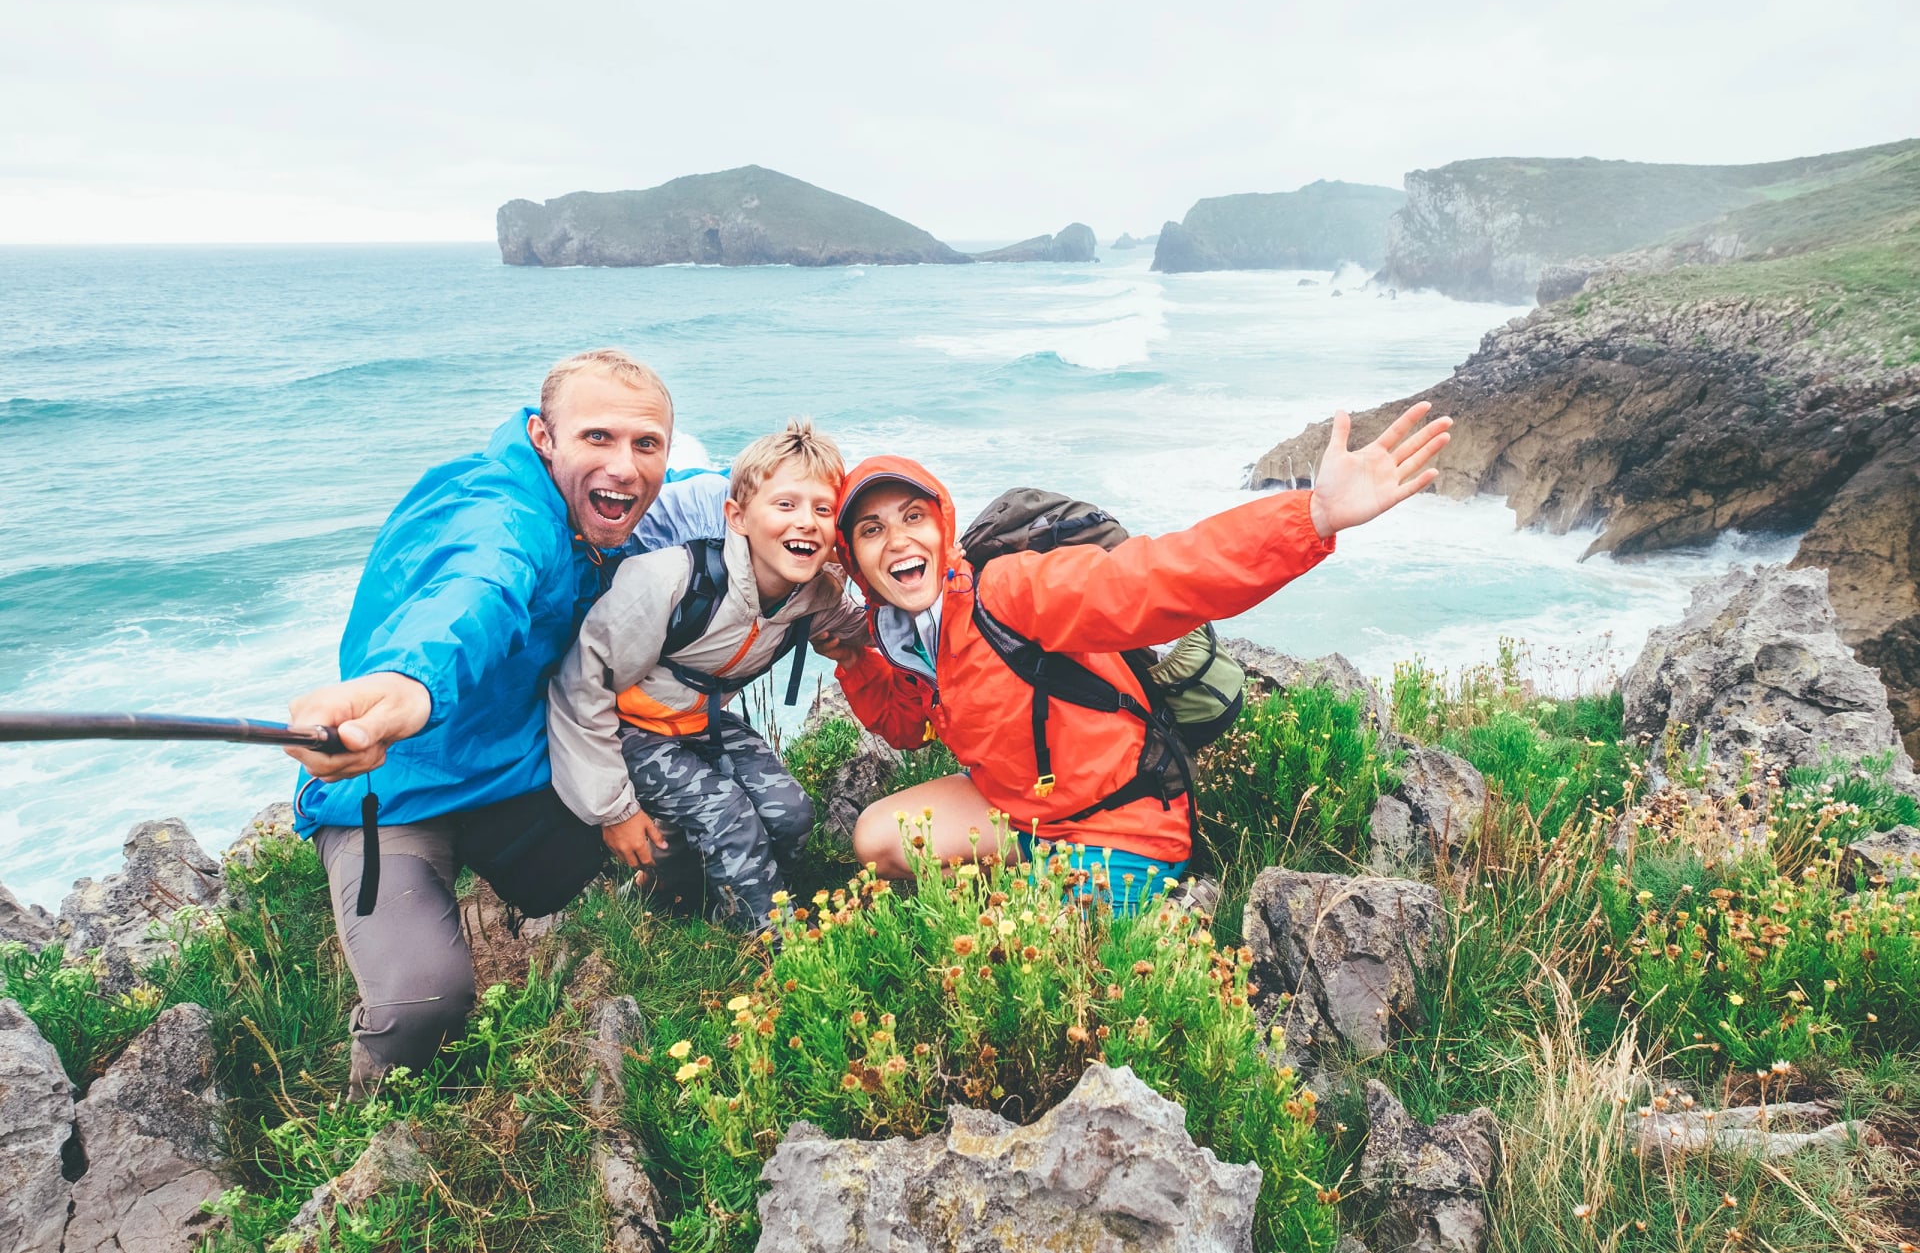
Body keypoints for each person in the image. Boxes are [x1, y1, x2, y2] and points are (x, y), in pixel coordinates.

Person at [284, 348, 723, 1094]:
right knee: (422, 1004)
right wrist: (407, 685)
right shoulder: (504, 512)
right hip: (397, 780)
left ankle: (571, 909)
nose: (624, 466)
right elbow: (476, 589)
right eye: (598, 438)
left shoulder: (617, 512)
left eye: (645, 444)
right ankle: (375, 1117)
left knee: (685, 824)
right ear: (542, 437)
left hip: (517, 768)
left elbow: (748, 495)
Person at [812, 402, 1452, 907]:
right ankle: (1018, 889)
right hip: (1025, 814)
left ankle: (1072, 896)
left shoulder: (1008, 592)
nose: (897, 539)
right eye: (872, 529)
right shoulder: (906, 632)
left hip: (1120, 825)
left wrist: (1311, 517)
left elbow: (1158, 577)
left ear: (941, 527)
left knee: (1069, 988)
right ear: (855, 559)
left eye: (913, 517)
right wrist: (854, 657)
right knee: (878, 839)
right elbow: (908, 727)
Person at [547, 420, 868, 930]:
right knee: (728, 816)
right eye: (785, 505)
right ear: (737, 517)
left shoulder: (815, 596)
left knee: (790, 814)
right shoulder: (669, 581)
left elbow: (873, 630)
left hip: (702, 723)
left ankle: (733, 903)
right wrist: (614, 810)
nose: (805, 522)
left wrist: (887, 566)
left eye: (822, 510)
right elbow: (577, 692)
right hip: (627, 732)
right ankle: (771, 942)